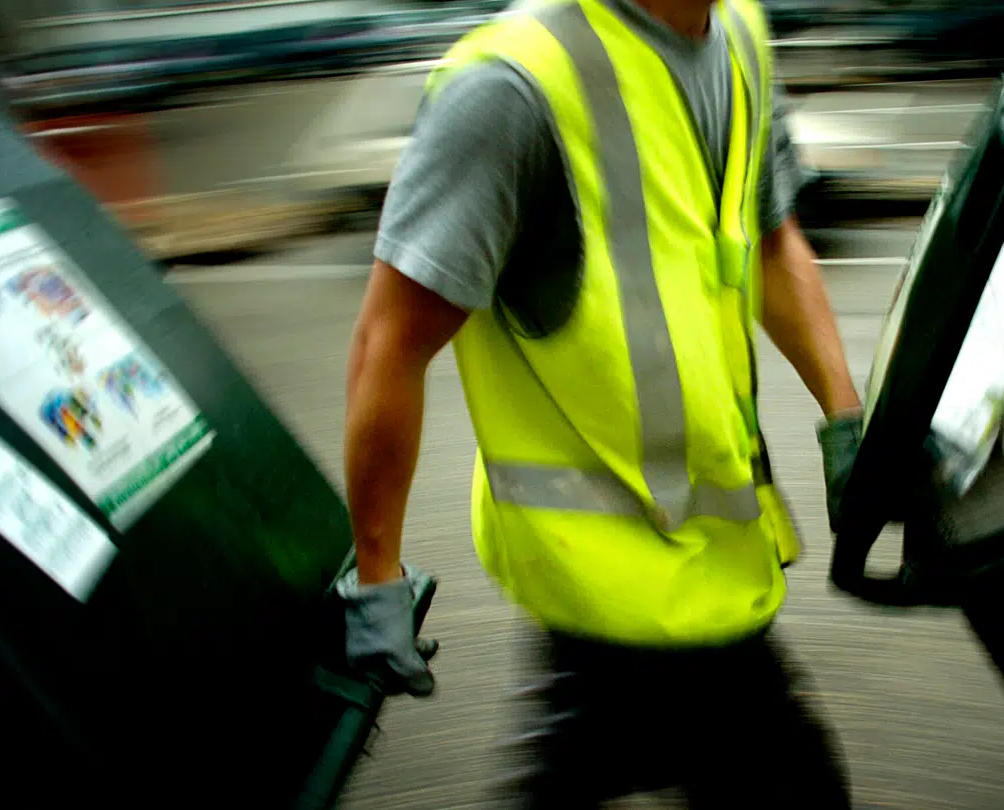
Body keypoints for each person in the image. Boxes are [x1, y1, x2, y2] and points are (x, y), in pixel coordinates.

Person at [338, 0, 865, 805]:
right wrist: (377, 576)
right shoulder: (515, 87)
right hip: (605, 591)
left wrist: (847, 418)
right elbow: (390, 342)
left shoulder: (740, 36)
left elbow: (769, 237)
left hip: (710, 568)